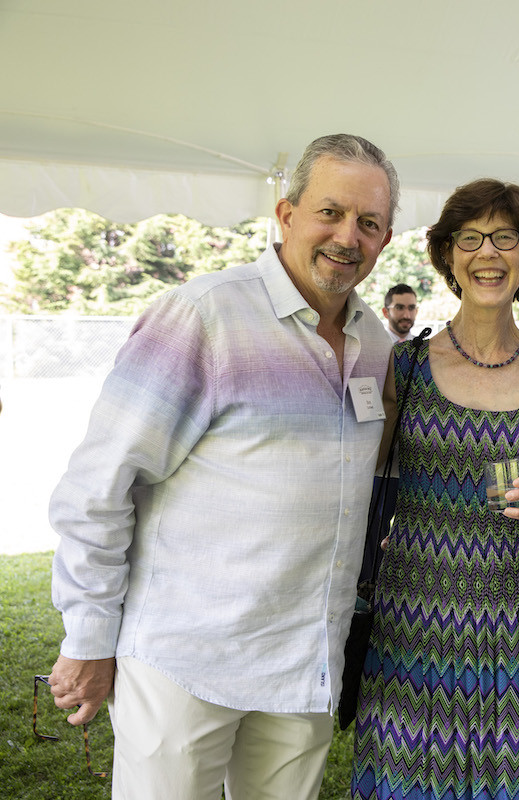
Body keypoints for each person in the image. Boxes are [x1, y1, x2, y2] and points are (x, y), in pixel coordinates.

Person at [47, 133, 399, 799]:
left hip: (302, 667)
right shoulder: (204, 314)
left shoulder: (375, 344)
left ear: (386, 238)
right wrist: (88, 636)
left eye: (368, 222)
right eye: (330, 212)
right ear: (287, 214)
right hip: (186, 662)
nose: (347, 236)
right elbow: (98, 486)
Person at [353, 178, 519, 799]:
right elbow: (364, 475)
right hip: (414, 615)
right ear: (448, 255)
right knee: (408, 772)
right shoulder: (405, 367)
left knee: (515, 776)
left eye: (505, 238)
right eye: (471, 238)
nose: (488, 253)